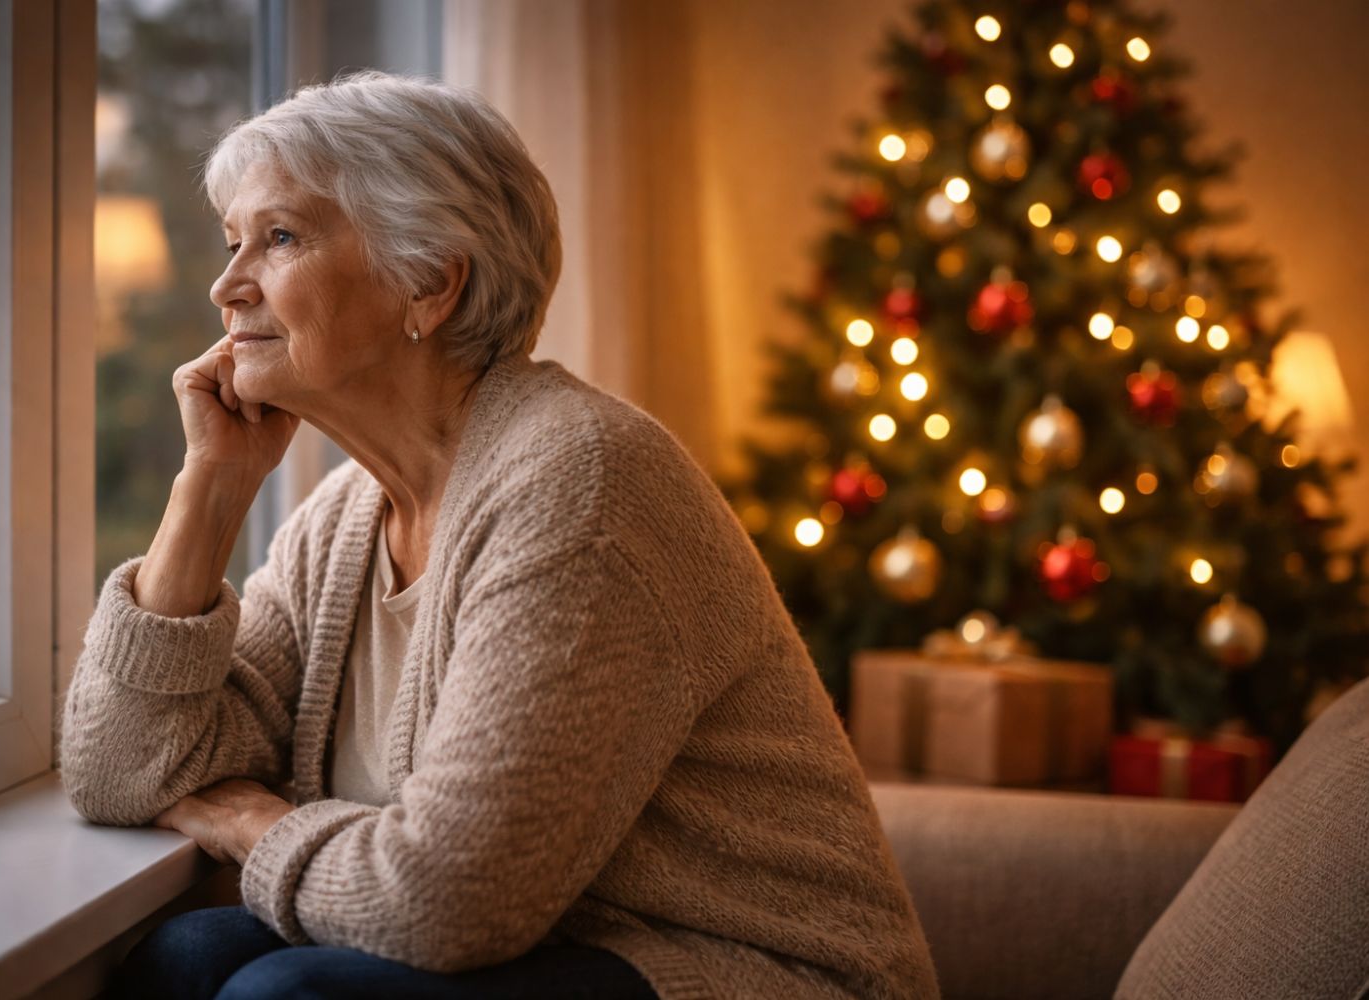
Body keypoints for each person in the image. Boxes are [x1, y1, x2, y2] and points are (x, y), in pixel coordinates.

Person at [60, 70, 938, 1000]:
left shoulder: (583, 483)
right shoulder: (342, 520)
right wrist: (211, 489)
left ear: (431, 284)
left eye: (278, 239)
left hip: (744, 971)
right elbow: (120, 772)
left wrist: (249, 826)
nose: (226, 286)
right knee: (180, 962)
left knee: (286, 998)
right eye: (234, 242)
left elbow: (445, 901)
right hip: (548, 952)